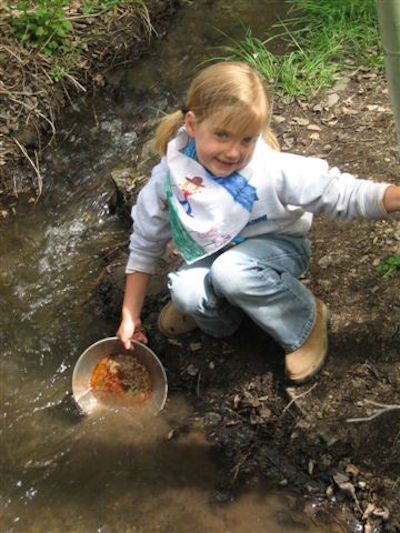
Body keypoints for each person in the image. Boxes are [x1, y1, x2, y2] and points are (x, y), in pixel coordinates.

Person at [117, 61, 400, 384]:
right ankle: (224, 313)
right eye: (221, 135)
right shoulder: (172, 176)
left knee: (231, 273)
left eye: (247, 139)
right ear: (193, 125)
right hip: (216, 249)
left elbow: (342, 193)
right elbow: (145, 242)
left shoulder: (271, 170)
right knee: (185, 291)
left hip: (279, 248)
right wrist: (130, 316)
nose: (233, 152)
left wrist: (394, 197)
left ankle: (304, 321)